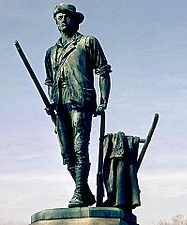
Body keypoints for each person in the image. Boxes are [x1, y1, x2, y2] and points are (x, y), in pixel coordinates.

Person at [44, 3, 111, 208]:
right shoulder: (50, 52)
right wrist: (51, 101)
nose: (63, 20)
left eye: (67, 17)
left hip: (81, 102)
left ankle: (80, 193)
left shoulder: (87, 42)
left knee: (80, 148)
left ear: (75, 20)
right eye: (59, 18)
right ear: (55, 23)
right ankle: (85, 190)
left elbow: (103, 72)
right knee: (67, 154)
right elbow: (49, 81)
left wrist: (103, 101)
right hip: (60, 107)